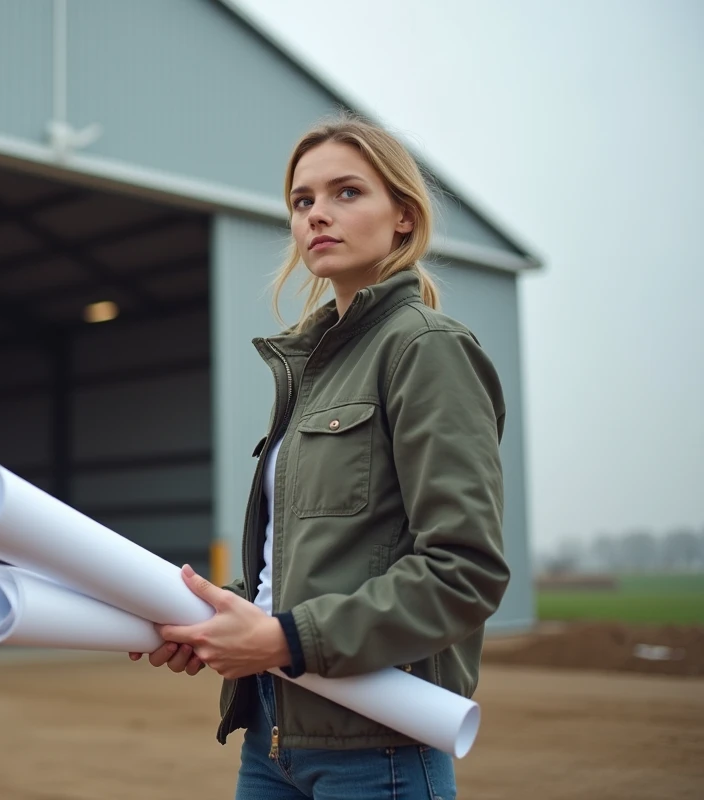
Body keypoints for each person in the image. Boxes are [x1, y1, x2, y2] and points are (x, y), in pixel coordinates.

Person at [129, 112, 510, 799]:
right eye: (302, 201)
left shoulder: (425, 349)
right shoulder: (310, 369)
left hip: (379, 747)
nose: (316, 215)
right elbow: (300, 568)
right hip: (271, 734)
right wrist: (221, 620)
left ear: (402, 216)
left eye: (346, 193)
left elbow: (466, 570)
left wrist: (284, 639)